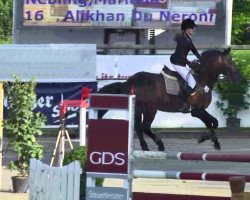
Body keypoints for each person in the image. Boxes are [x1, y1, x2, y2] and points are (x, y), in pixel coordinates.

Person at [170, 18, 201, 111]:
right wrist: (190, 63)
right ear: (187, 29)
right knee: (192, 82)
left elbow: (194, 50)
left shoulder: (187, 38)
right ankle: (183, 104)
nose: (194, 30)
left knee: (192, 78)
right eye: (192, 28)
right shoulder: (184, 40)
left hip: (180, 62)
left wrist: (201, 59)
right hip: (177, 63)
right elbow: (181, 56)